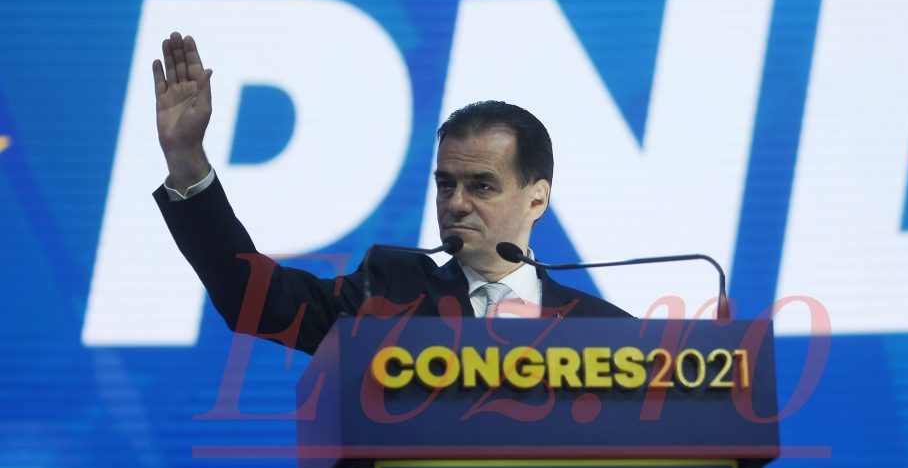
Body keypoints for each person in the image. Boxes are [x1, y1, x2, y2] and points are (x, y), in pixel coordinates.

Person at [152, 32, 629, 354]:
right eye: (446, 184)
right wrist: (186, 158)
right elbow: (252, 299)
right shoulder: (384, 298)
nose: (456, 203)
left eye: (482, 185)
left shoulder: (610, 333)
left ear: (537, 198)